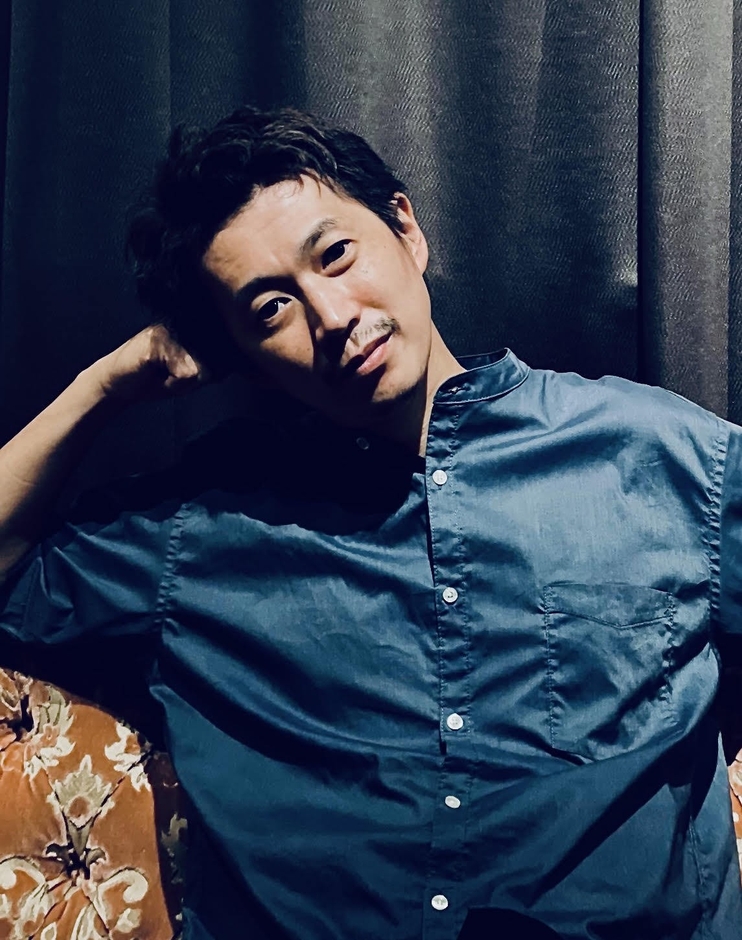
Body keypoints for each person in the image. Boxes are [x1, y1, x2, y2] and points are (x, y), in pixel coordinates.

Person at [0, 104, 741, 940]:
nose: (331, 315)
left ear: (405, 230)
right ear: (243, 360)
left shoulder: (659, 454)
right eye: (270, 309)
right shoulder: (197, 530)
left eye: (336, 256)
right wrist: (103, 387)